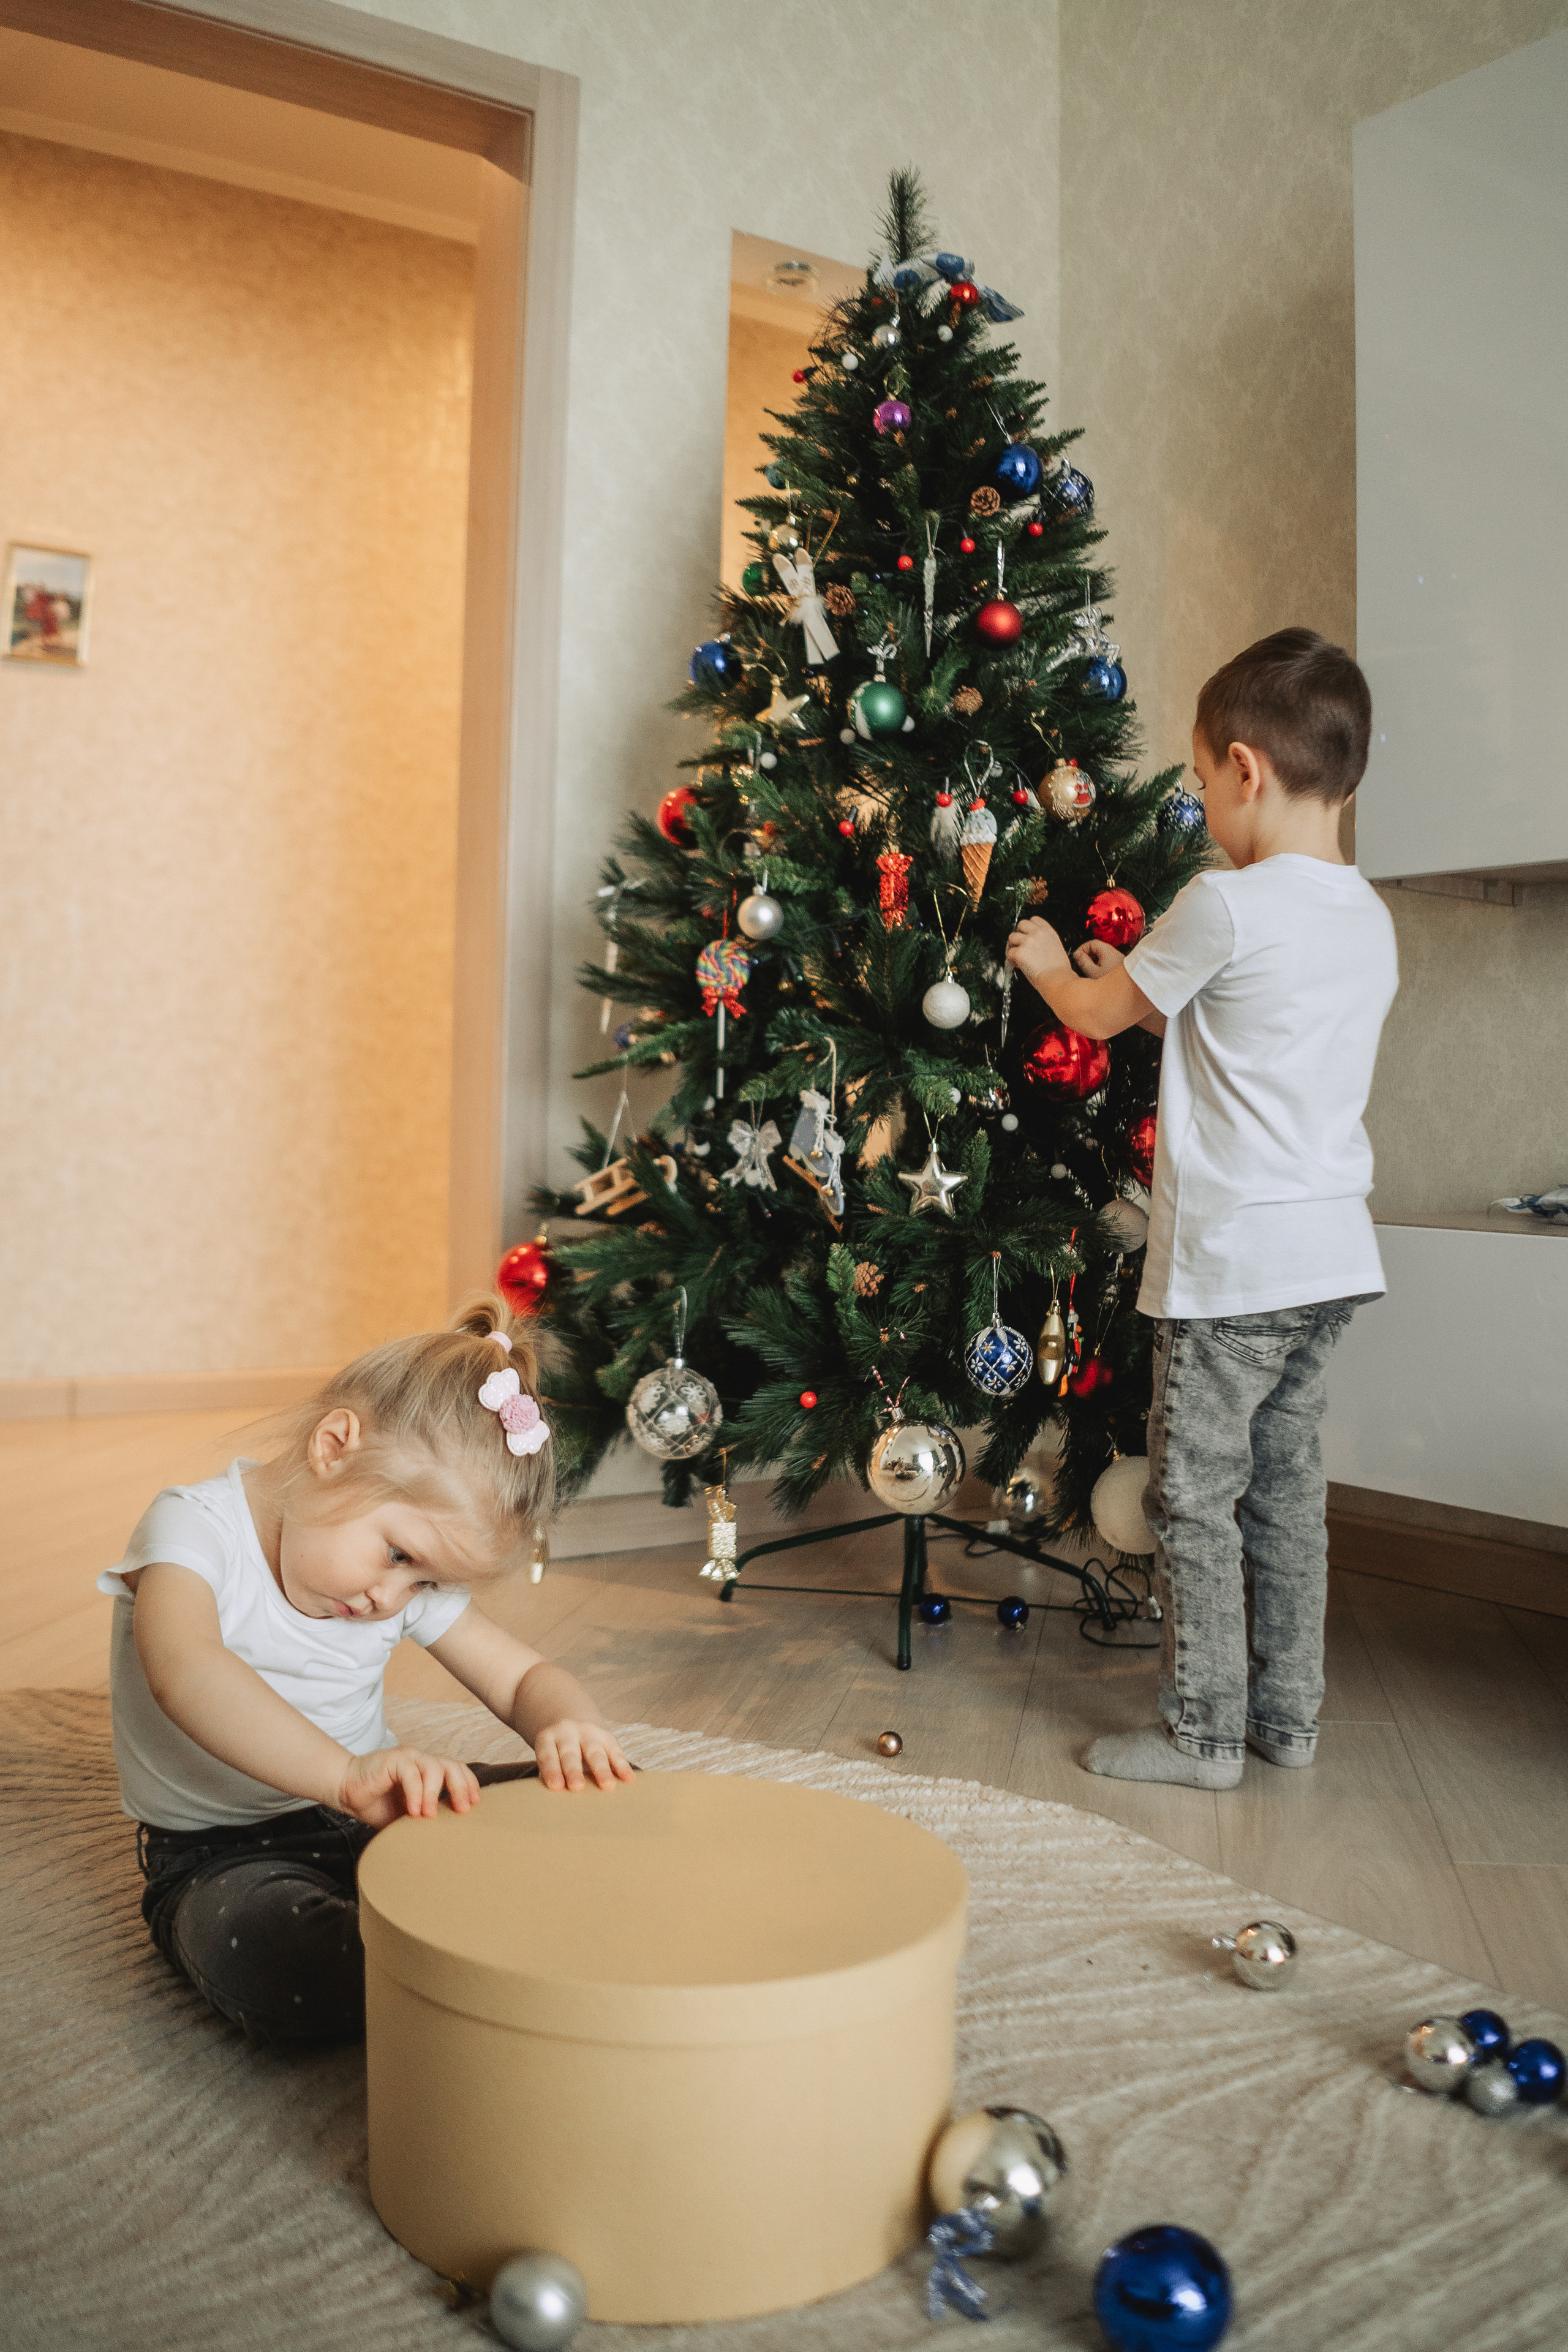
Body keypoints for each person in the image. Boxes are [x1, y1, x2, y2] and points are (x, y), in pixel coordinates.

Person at [1006, 627, 1398, 1790]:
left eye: (1201, 781)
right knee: (1286, 1497)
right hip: (1330, 1259)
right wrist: (1130, 977)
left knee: (1194, 1499)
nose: (1205, 808)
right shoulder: (1364, 915)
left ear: (1245, 769)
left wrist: (1047, 963)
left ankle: (1203, 1734)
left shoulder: (1224, 902)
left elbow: (1094, 1017)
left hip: (1234, 1269)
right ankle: (1288, 1719)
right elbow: (1217, 1013)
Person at [100, 1296, 634, 2042]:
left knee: (609, 1796)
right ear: (334, 1446)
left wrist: (569, 1727)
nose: (394, 1598)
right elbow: (186, 1673)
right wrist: (343, 1776)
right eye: (400, 1556)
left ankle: (445, 1931)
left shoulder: (392, 1585)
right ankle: (463, 1942)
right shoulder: (193, 1530)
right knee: (283, 1961)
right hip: (222, 1854)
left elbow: (519, 1679)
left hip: (388, 1812)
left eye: (425, 1582)